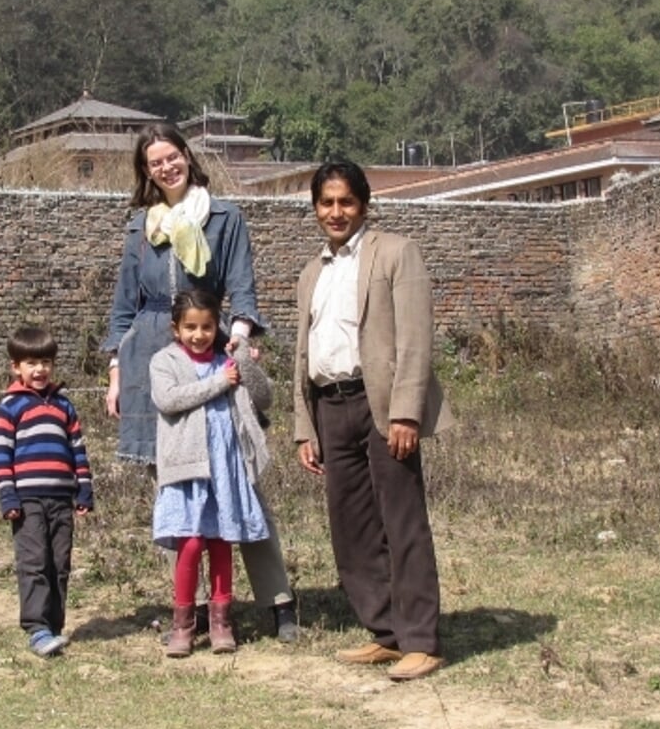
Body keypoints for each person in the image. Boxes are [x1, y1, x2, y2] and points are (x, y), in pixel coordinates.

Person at [103, 123, 299, 642]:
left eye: (173, 157)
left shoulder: (223, 217)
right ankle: (188, 614)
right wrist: (117, 371)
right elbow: (124, 307)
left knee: (239, 484)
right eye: (155, 162)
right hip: (153, 361)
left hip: (214, 356)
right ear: (146, 172)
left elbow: (241, 287)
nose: (166, 167)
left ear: (188, 157)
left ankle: (278, 601)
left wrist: (236, 339)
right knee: (176, 490)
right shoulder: (138, 229)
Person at [293, 160, 452, 683]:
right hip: (330, 407)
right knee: (351, 525)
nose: (335, 212)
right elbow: (303, 353)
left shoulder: (396, 253)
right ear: (315, 208)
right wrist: (305, 426)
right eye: (326, 203)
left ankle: (420, 639)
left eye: (345, 202)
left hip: (381, 405)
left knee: (401, 520)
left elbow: (415, 339)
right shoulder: (312, 272)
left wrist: (405, 412)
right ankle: (384, 630)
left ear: (364, 204)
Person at [150, 289, 273, 657]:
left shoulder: (227, 359)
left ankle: (222, 622)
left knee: (222, 541)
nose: (199, 335)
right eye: (190, 327)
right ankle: (183, 624)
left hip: (225, 464)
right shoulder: (164, 361)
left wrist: (244, 363)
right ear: (176, 329)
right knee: (189, 542)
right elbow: (169, 399)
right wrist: (221, 380)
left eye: (206, 327)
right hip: (188, 468)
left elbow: (264, 397)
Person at [0, 326, 94, 658]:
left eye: (46, 362)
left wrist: (83, 490)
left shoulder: (64, 406)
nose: (40, 370)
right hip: (28, 501)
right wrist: (8, 496)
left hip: (61, 499)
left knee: (60, 563)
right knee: (34, 563)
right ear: (16, 367)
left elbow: (78, 449)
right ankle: (37, 628)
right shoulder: (10, 407)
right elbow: (1, 456)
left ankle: (55, 625)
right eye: (32, 363)